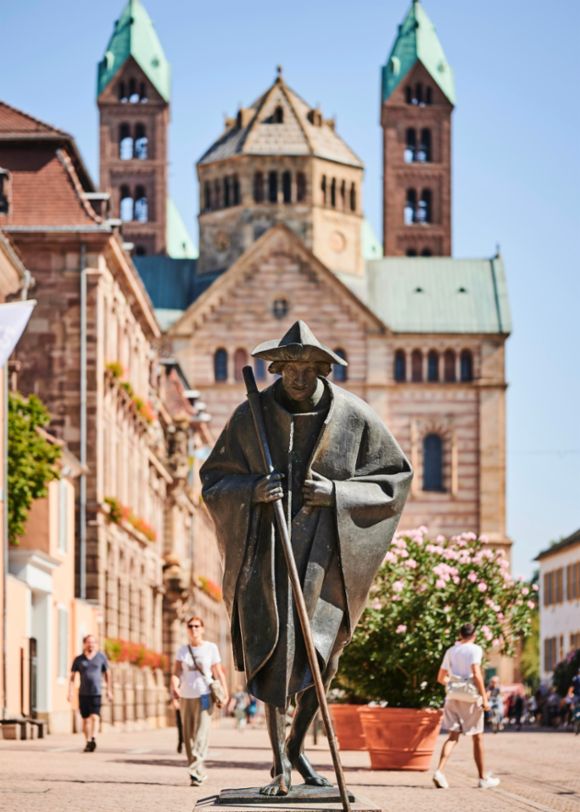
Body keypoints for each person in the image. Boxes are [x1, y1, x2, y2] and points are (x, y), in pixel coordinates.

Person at [201, 320, 412, 796]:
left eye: (306, 368)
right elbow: (213, 480)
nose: (295, 378)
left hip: (327, 555)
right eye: (288, 368)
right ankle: (279, 764)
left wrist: (336, 492)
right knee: (274, 653)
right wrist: (252, 489)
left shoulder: (353, 416)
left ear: (321, 368)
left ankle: (297, 744)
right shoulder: (248, 416)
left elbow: (395, 479)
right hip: (270, 551)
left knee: (325, 656)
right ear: (276, 367)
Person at [433, 623, 500, 790]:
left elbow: (441, 677)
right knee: (477, 736)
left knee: (452, 736)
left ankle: (439, 771)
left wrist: (454, 684)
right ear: (474, 635)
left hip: (452, 696)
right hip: (470, 698)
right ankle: (482, 778)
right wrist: (484, 698)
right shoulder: (475, 649)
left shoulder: (451, 651)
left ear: (460, 634)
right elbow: (476, 673)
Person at [171, 616, 229, 786]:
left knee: (201, 734)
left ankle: (195, 769)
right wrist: (174, 688)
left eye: (197, 626)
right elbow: (176, 673)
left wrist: (225, 693)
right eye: (190, 626)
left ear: (202, 629)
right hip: (186, 696)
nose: (194, 629)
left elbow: (218, 672)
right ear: (187, 629)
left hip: (205, 696)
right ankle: (195, 770)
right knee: (187, 735)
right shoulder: (182, 650)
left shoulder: (211, 648)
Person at [67, 634, 112, 752]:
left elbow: (107, 674)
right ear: (84, 644)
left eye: (93, 642)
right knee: (86, 719)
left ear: (96, 644)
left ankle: (93, 739)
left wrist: (109, 690)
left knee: (95, 717)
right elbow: (72, 677)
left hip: (96, 693)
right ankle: (87, 741)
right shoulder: (78, 659)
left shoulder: (101, 657)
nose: (91, 644)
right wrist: (70, 692)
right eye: (88, 642)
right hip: (83, 693)